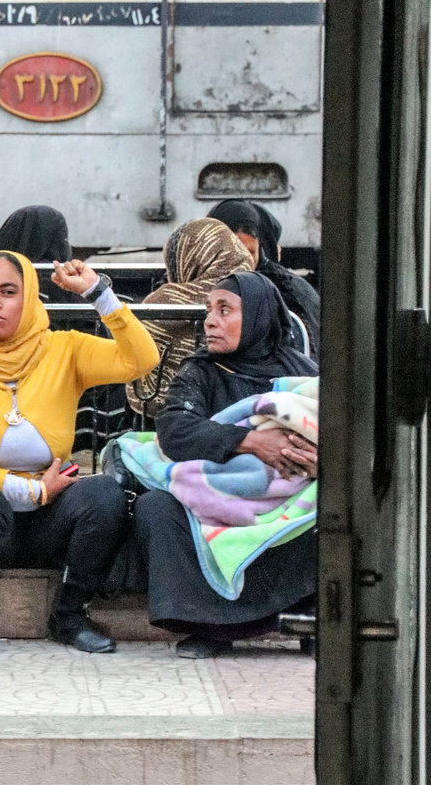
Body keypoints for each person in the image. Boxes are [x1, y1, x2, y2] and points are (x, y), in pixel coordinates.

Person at [0, 250, 160, 656]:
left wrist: (98, 293)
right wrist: (32, 491)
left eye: (7, 291)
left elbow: (142, 358)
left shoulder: (63, 350)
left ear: (30, 299)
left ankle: (69, 614)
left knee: (104, 495)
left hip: (48, 523)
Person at [131, 271, 318, 658]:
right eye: (208, 311)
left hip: (282, 499)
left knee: (329, 505)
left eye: (224, 310)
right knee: (156, 507)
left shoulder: (301, 375)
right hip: (215, 501)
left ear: (258, 318)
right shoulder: (200, 371)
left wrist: (318, 459)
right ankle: (207, 625)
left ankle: (309, 617)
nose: (210, 321)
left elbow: (334, 428)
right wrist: (248, 441)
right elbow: (175, 430)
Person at [126, 218, 254, 420]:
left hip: (172, 419)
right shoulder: (258, 294)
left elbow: (141, 380)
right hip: (247, 412)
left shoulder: (165, 302)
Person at [207, 199, 321, 356]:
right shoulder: (191, 283)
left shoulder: (288, 290)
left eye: (250, 253)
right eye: (231, 252)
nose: (242, 260)